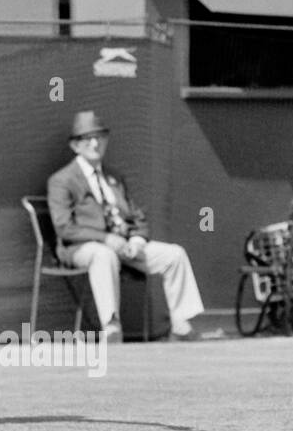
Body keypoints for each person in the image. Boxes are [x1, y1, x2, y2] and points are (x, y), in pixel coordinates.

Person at [47, 111, 207, 343]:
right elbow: (64, 228)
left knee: (174, 254)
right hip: (83, 249)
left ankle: (180, 324)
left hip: (124, 246)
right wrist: (106, 239)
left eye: (99, 137)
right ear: (75, 146)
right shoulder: (62, 180)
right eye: (87, 139)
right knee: (103, 255)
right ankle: (111, 326)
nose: (95, 143)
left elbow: (137, 218)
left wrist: (137, 240)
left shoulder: (115, 177)